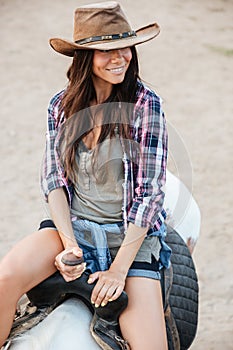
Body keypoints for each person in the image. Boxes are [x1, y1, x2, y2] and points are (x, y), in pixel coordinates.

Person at [0, 2, 171, 349]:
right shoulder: (60, 107)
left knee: (152, 346)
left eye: (125, 47)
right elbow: (54, 182)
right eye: (106, 50)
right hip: (75, 226)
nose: (119, 57)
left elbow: (150, 195)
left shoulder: (145, 105)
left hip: (128, 236)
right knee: (5, 279)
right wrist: (70, 245)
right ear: (85, 57)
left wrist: (119, 270)